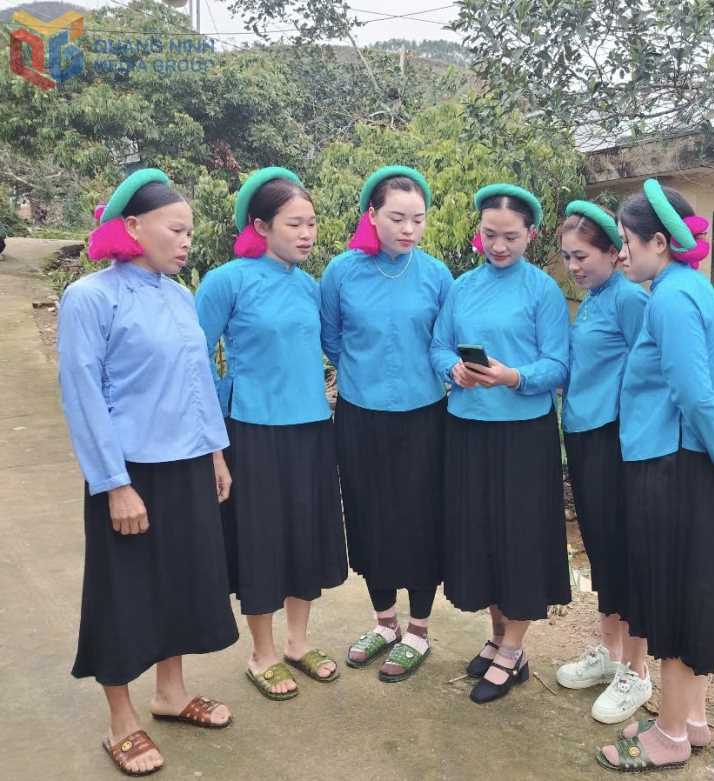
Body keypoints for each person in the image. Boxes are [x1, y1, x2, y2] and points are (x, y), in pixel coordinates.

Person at [59, 169, 238, 777]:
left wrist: (215, 453)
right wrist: (114, 484)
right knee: (122, 592)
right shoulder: (91, 297)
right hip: (129, 471)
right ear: (132, 227)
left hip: (187, 462)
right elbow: (82, 396)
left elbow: (199, 382)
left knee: (183, 581)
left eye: (190, 231)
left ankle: (170, 693)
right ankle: (121, 721)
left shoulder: (179, 295)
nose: (187, 241)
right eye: (176, 230)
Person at [597, 179, 714, 772]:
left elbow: (695, 391)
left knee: (674, 596)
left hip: (674, 464)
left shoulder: (669, 299)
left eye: (627, 242)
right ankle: (690, 719)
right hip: (689, 460)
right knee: (694, 590)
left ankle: (668, 735)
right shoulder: (692, 287)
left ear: (659, 243)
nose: (621, 254)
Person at [195, 167, 347, 700]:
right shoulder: (226, 281)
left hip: (310, 428)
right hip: (252, 429)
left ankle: (297, 643)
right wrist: (216, 425)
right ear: (260, 226)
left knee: (305, 534)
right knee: (260, 539)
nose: (307, 234)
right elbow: (194, 356)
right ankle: (261, 653)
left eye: (311, 223)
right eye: (294, 224)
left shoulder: (309, 285)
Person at [430, 183, 571, 704]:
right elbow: (438, 346)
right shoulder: (462, 287)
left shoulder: (543, 291)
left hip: (523, 436)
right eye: (490, 234)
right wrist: (453, 369)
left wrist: (514, 376)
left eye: (511, 236)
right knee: (482, 536)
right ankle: (496, 636)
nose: (499, 245)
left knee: (519, 539)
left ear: (530, 235)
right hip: (467, 429)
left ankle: (513, 650)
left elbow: (558, 364)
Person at [320, 165, 452, 682]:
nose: (408, 229)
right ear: (371, 216)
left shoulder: (436, 275)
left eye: (418, 219)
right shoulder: (341, 272)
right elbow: (331, 338)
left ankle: (418, 629)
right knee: (368, 514)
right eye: (397, 218)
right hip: (360, 415)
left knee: (422, 518)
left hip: (425, 417)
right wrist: (367, 374)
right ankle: (384, 622)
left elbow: (443, 342)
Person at [555, 201, 652, 724]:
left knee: (626, 553)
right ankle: (610, 655)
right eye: (568, 257)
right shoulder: (593, 300)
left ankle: (637, 670)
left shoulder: (630, 299)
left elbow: (650, 371)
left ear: (614, 253)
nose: (574, 266)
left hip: (615, 440)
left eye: (583, 256)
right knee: (600, 551)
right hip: (584, 436)